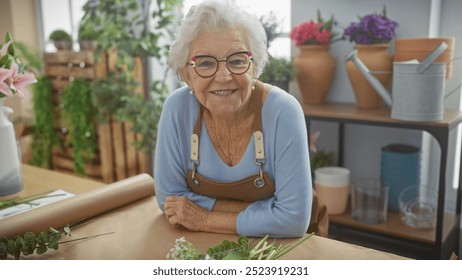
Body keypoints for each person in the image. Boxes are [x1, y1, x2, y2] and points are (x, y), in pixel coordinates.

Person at [154, 0, 313, 238]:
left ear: (254, 67)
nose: (224, 76)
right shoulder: (177, 109)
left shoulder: (283, 111)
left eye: (237, 60)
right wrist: (270, 213)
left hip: (275, 248)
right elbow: (169, 200)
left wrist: (204, 217)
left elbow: (293, 220)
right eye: (206, 63)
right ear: (187, 74)